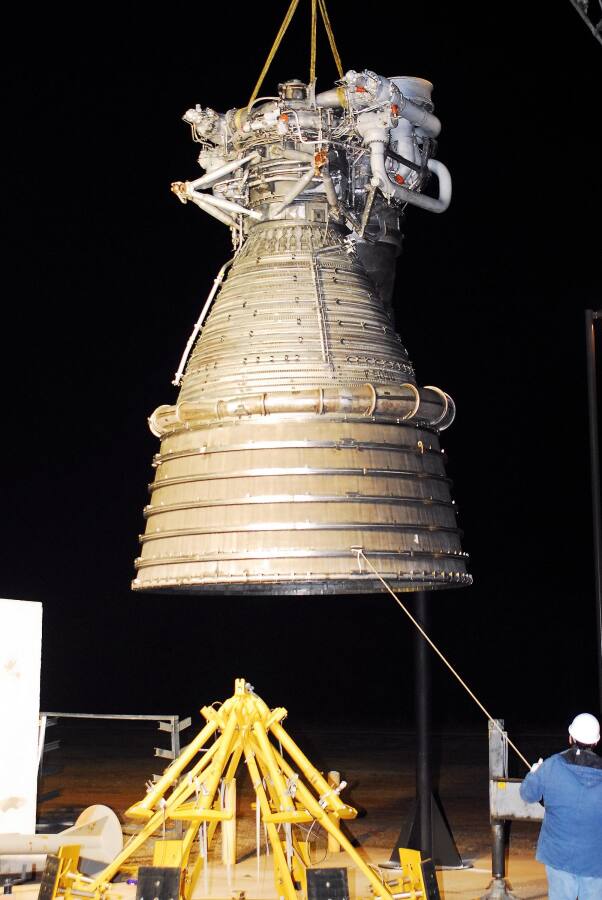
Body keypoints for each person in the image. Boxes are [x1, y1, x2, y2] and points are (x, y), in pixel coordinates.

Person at [520, 712, 602, 899]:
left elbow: (528, 794)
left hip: (558, 857)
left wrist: (533, 773)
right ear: (596, 741)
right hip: (595, 861)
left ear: (570, 737)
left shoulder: (552, 765)